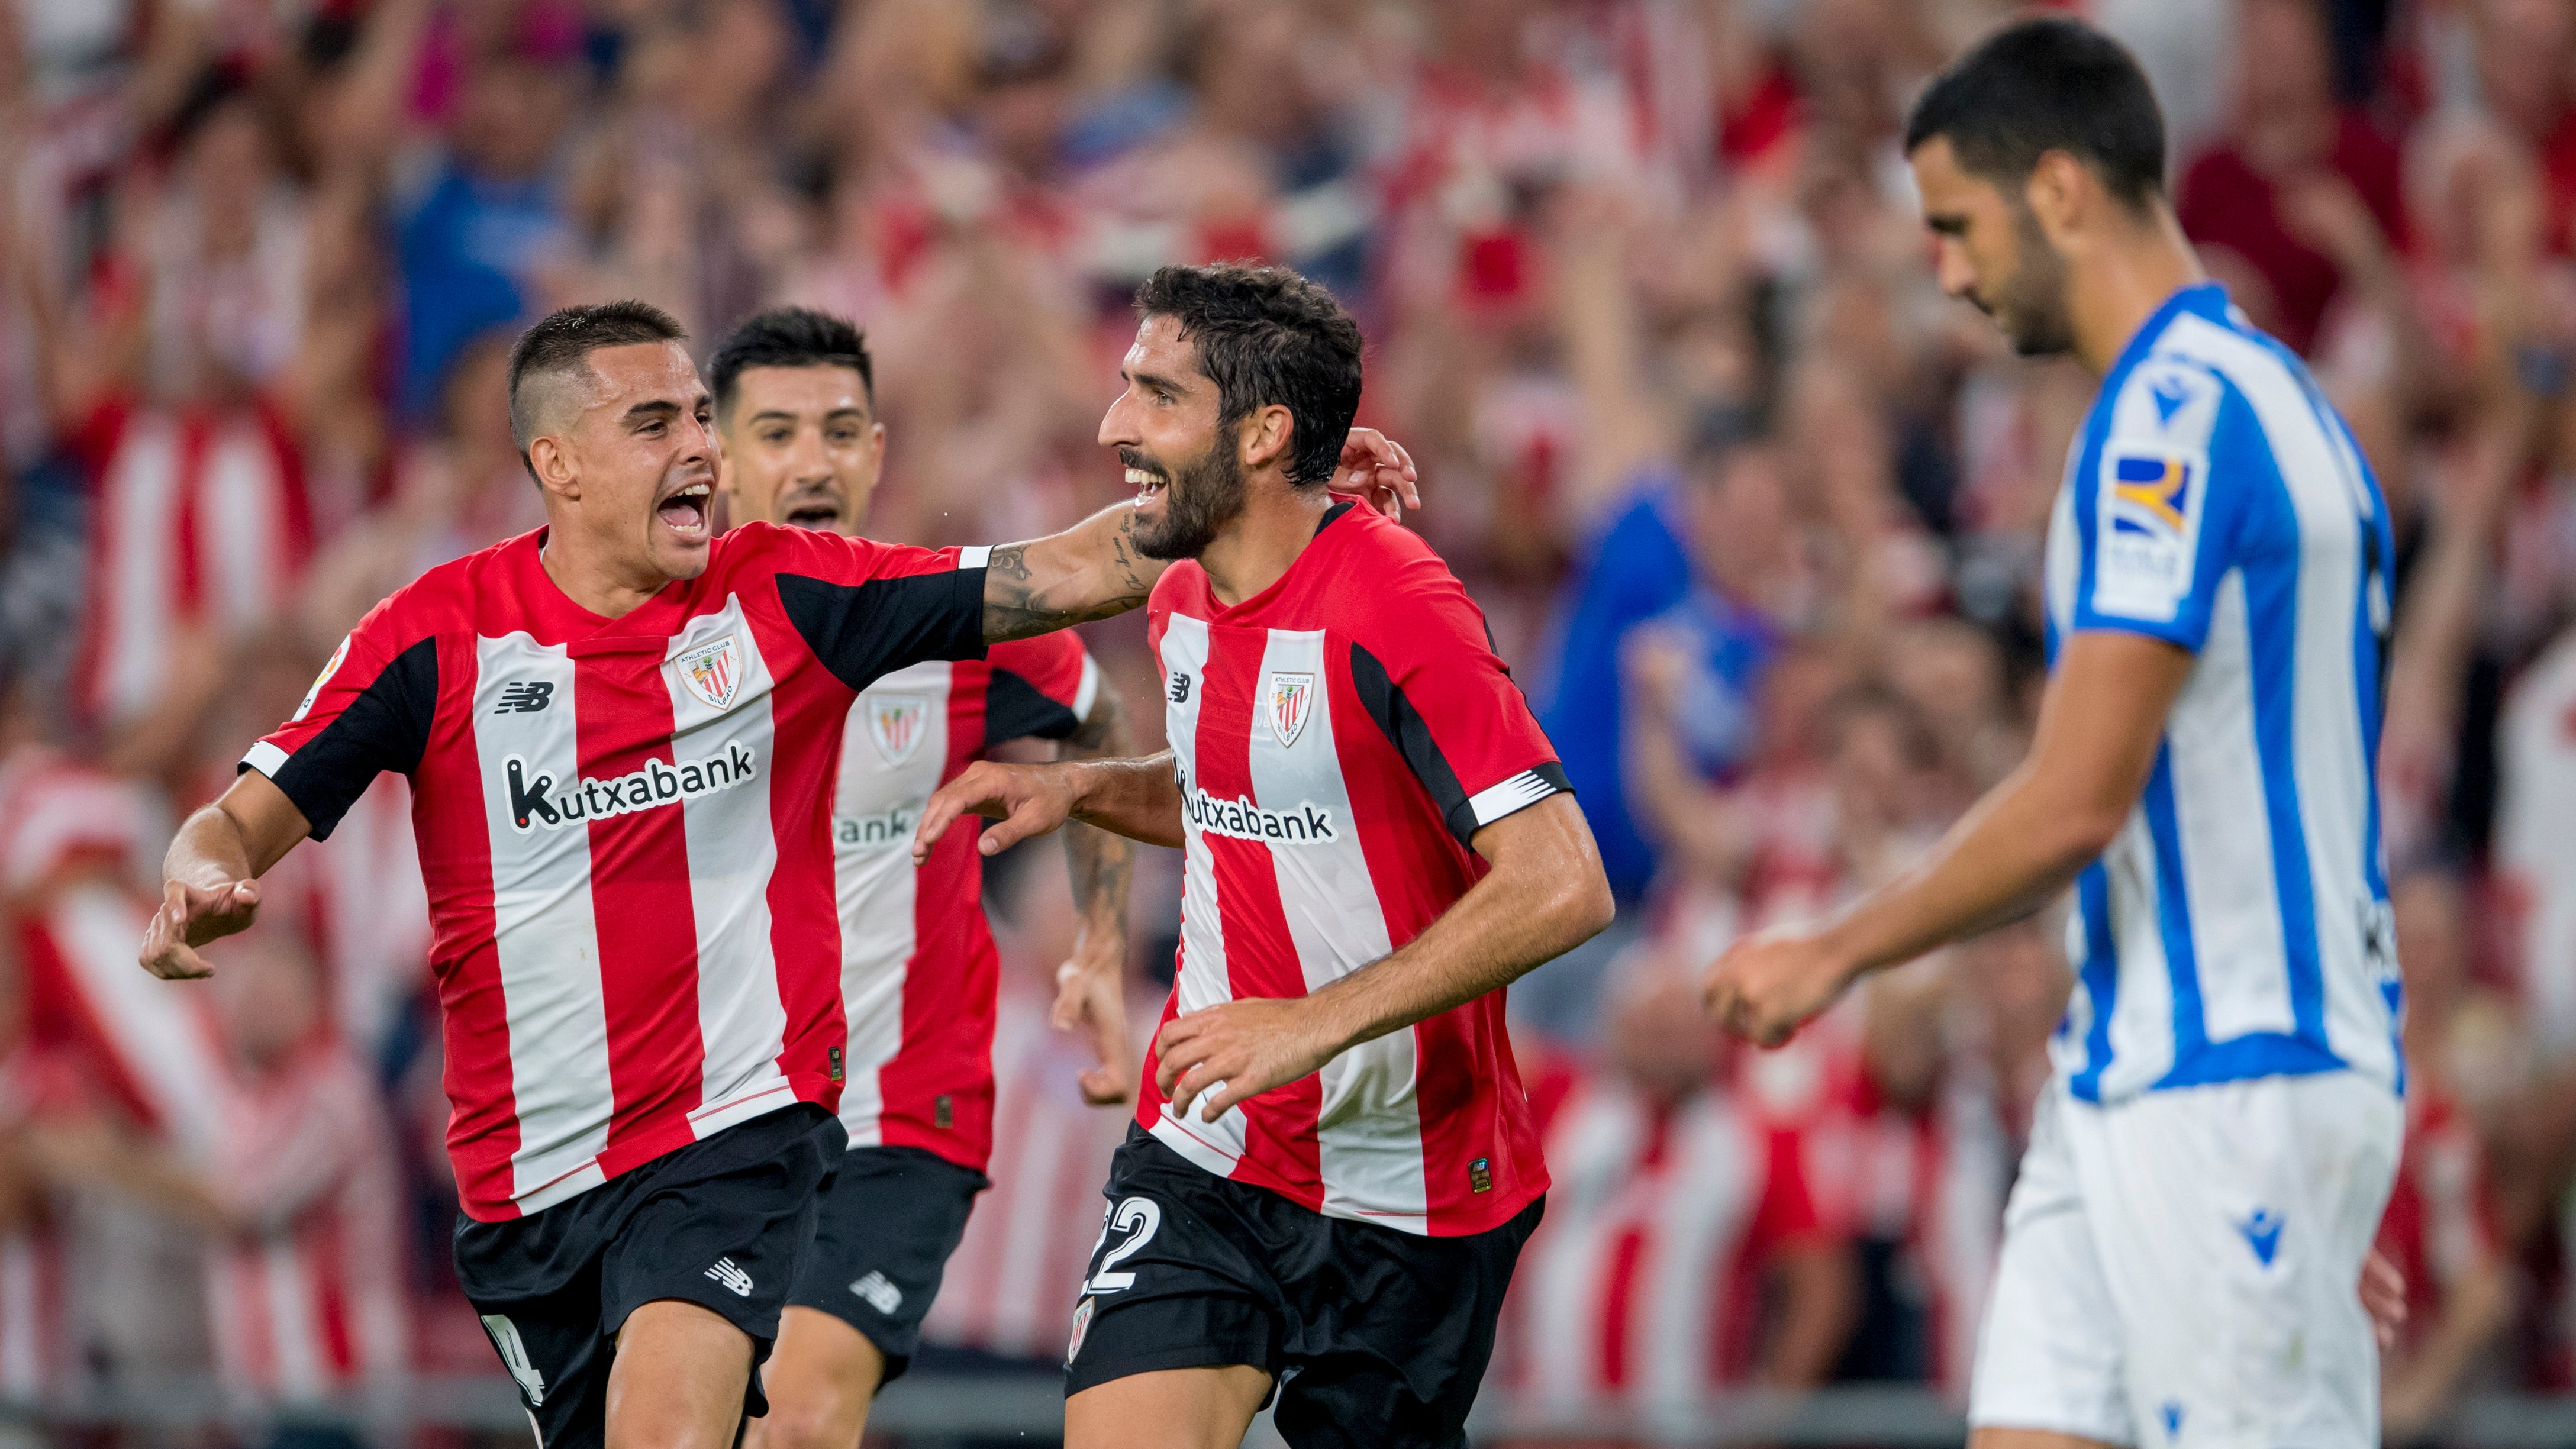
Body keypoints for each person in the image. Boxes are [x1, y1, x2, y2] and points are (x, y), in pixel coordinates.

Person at [136, 298, 1419, 1449]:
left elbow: (1077, 570)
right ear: (557, 466)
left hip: (737, 1133)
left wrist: (1277, 490)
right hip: (525, 1177)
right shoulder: (434, 633)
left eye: (699, 414)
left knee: (770, 1423)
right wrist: (201, 874)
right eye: (657, 423)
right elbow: (244, 814)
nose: (698, 446)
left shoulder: (795, 596)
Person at [1701, 20, 2406, 1449]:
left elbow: (2078, 799)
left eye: (1958, 226)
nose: (1946, 273)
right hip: (2140, 1072)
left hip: (2229, 1080)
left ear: (2064, 191)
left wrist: (1833, 948)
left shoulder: (2165, 422)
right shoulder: (2282, 402)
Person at [912, 262, 1616, 1449]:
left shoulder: (1399, 605)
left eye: (1155, 396)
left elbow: (1563, 881)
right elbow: (1241, 794)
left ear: (1262, 433)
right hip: (1212, 1144)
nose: (1112, 425)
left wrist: (1305, 1022)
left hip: (1413, 1186)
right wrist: (1081, 788)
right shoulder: (1180, 589)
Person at [705, 306, 1138, 1449]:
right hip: (705, 1110)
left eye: (842, 431)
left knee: (798, 1417)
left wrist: (1098, 940)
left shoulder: (951, 619)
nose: (814, 461)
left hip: (896, 1108)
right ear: (716, 456)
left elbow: (1100, 725)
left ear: (879, 455)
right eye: (780, 432)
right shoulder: (654, 645)